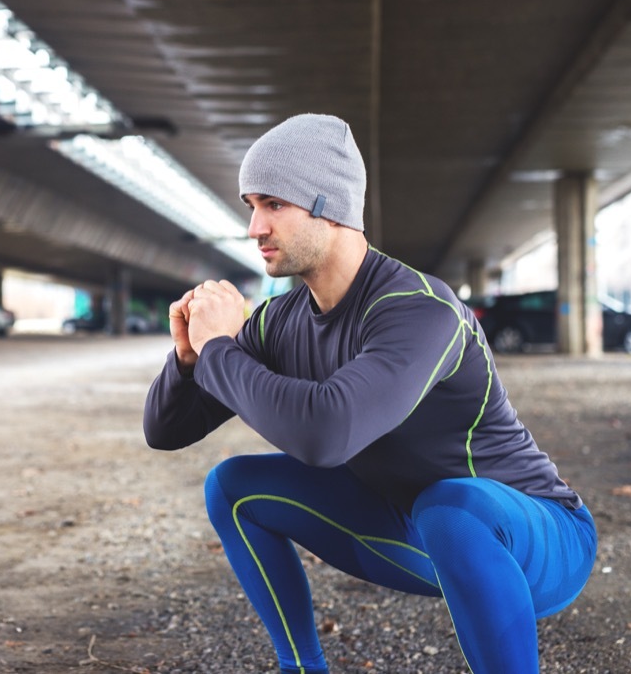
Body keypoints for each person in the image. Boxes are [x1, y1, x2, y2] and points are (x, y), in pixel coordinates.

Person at [142, 113, 597, 674]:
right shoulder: (280, 321)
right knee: (233, 487)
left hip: (532, 541)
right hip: (413, 529)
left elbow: (324, 434)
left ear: (328, 205)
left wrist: (219, 350)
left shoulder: (418, 309)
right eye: (251, 206)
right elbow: (165, 432)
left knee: (451, 507)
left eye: (273, 205)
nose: (254, 227)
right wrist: (188, 359)